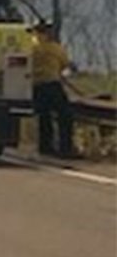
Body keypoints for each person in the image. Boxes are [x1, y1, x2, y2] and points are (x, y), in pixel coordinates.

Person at [30, 21, 78, 159]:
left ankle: (45, 147)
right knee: (65, 115)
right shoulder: (54, 48)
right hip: (51, 84)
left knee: (44, 117)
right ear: (48, 32)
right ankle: (65, 148)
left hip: (35, 86)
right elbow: (65, 64)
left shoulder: (30, 45)